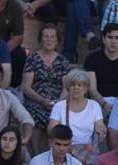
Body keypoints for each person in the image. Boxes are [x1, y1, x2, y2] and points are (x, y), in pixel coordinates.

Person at [21, 23, 70, 153]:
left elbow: (66, 88)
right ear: (40, 39)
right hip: (36, 99)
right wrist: (42, 100)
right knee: (34, 113)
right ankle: (36, 154)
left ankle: (54, 154)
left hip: (57, 100)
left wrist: (58, 102)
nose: (49, 40)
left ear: (57, 40)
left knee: (59, 114)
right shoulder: (32, 59)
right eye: (46, 36)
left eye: (52, 37)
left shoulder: (63, 61)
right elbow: (26, 87)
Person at [50, 69, 105, 165]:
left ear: (85, 88)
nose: (76, 88)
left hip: (88, 151)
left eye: (80, 85)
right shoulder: (59, 106)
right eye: (73, 85)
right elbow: (51, 128)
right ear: (68, 87)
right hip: (65, 149)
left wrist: (101, 131)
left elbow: (99, 124)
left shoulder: (94, 105)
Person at [86, 23, 118, 116]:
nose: (114, 41)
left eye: (117, 38)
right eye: (110, 37)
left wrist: (115, 106)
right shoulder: (91, 59)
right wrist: (104, 104)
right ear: (104, 39)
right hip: (97, 101)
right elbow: (92, 89)